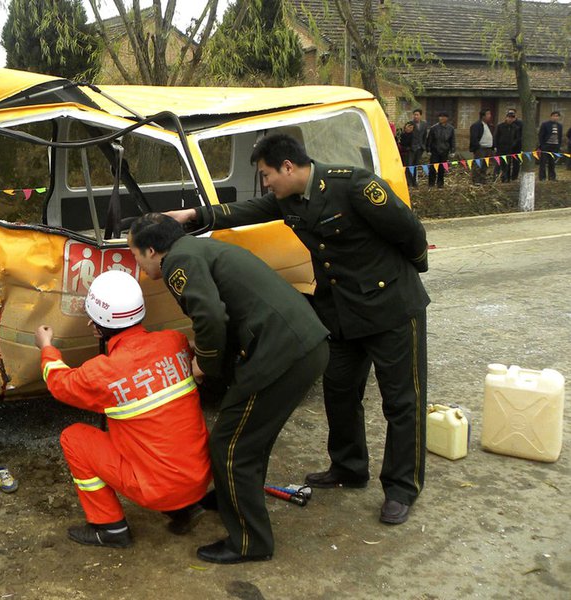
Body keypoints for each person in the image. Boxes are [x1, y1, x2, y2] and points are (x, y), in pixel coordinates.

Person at [165, 133, 430, 527]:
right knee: (339, 391)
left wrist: (401, 277)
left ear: (288, 167)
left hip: (391, 307)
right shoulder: (290, 199)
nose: (266, 183)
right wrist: (195, 217)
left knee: (401, 401)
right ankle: (349, 466)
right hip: (342, 313)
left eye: (267, 174)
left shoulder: (353, 185)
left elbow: (410, 232)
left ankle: (401, 487)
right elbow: (250, 210)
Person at [127, 213, 329, 565]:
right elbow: (227, 310)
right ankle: (229, 498)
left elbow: (210, 316)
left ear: (151, 250)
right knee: (250, 437)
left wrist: (203, 363)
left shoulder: (179, 261)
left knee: (229, 443)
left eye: (136, 255)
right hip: (301, 345)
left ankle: (251, 542)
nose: (138, 264)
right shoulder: (197, 249)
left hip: (282, 354)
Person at [36, 270, 211, 549]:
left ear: (95, 327)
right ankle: (184, 508)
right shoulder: (174, 342)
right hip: (200, 478)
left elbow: (58, 383)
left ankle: (109, 528)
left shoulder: (102, 373)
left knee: (74, 438)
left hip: (157, 490)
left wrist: (46, 348)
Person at [425, 112, 455, 187]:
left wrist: (452, 150)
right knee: (433, 168)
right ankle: (431, 183)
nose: (441, 118)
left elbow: (452, 140)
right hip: (435, 150)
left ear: (446, 118)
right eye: (440, 117)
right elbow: (429, 140)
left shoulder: (451, 129)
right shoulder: (433, 128)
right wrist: (428, 150)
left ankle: (440, 183)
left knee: (442, 168)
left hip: (445, 151)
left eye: (443, 117)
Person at [494, 110, 522, 182]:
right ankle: (495, 178)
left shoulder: (515, 127)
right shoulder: (500, 126)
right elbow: (496, 136)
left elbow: (517, 138)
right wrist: (495, 146)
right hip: (500, 148)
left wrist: (513, 144)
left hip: (509, 149)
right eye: (509, 117)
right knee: (498, 164)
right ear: (506, 118)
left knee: (507, 164)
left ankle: (505, 179)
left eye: (512, 118)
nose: (510, 119)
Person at [469, 110, 496, 184]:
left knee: (485, 165)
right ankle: (476, 180)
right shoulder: (477, 125)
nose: (490, 116)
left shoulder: (489, 125)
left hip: (488, 149)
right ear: (483, 116)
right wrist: (477, 147)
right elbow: (474, 137)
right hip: (480, 149)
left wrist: (493, 147)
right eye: (488, 114)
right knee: (478, 164)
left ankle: (482, 179)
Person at [538, 111, 562, 181]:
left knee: (552, 162)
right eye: (554, 116)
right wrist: (542, 145)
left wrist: (559, 145)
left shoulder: (560, 126)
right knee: (543, 162)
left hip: (555, 146)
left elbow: (559, 136)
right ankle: (542, 177)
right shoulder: (545, 124)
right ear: (551, 116)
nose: (555, 117)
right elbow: (541, 135)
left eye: (557, 116)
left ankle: (552, 177)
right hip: (546, 145)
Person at [410, 109, 428, 186]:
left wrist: (423, 146)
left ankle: (415, 182)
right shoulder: (410, 124)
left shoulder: (424, 124)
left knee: (416, 165)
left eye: (417, 115)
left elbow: (425, 136)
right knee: (410, 165)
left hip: (420, 148)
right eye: (414, 115)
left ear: (420, 115)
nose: (416, 116)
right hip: (412, 148)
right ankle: (410, 182)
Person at [397, 121, 416, 187]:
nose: (409, 129)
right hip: (401, 153)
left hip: (409, 153)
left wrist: (406, 148)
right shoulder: (401, 134)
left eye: (411, 128)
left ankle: (410, 182)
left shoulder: (413, 135)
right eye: (408, 127)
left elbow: (412, 146)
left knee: (408, 167)